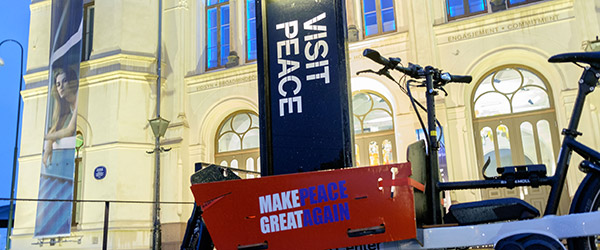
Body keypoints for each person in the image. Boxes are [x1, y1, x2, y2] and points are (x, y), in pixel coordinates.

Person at [42, 67, 78, 167]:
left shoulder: (78, 98)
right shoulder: (66, 105)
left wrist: (45, 137)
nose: (61, 87)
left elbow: (70, 130)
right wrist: (49, 142)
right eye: (58, 84)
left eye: (64, 81)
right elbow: (57, 129)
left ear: (71, 82)